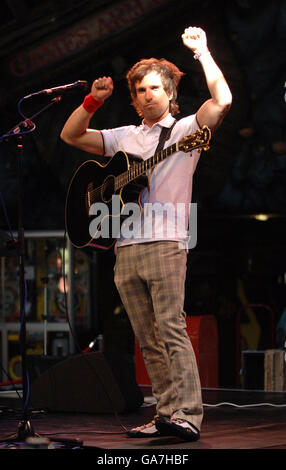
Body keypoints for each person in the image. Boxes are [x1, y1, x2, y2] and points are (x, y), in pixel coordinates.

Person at [61, 26, 232, 441]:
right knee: (147, 338)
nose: (147, 94)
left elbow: (223, 100)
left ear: (170, 93)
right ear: (133, 97)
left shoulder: (187, 130)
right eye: (140, 90)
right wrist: (92, 102)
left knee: (171, 328)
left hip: (169, 240)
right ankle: (165, 412)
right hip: (126, 245)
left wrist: (203, 52)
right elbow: (71, 135)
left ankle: (188, 415)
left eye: (155, 88)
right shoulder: (123, 138)